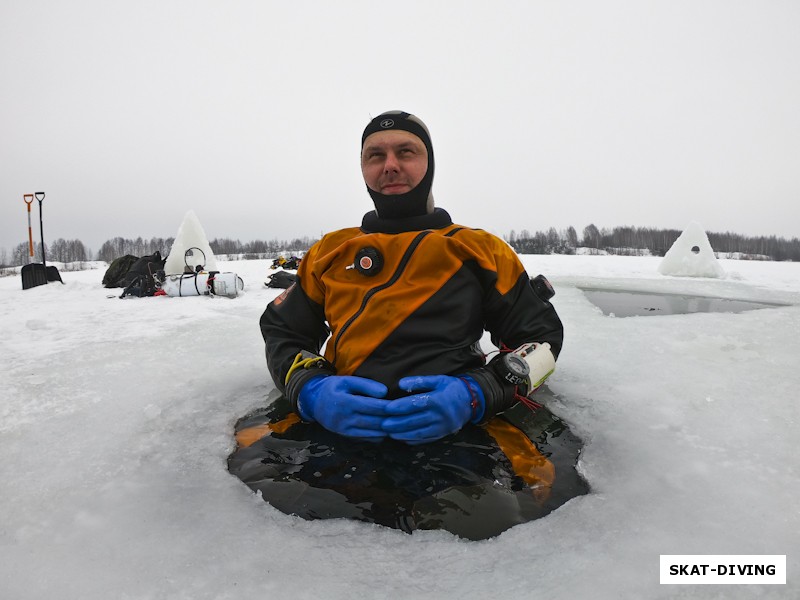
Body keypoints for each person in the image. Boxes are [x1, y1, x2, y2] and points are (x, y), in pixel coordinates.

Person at [260, 110, 563, 445]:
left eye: (406, 152)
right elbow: (283, 331)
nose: (390, 165)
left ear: (429, 163)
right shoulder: (329, 251)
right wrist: (310, 387)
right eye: (375, 155)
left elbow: (542, 342)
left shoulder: (480, 249)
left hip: (461, 434)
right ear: (362, 167)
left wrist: (480, 391)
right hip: (338, 431)